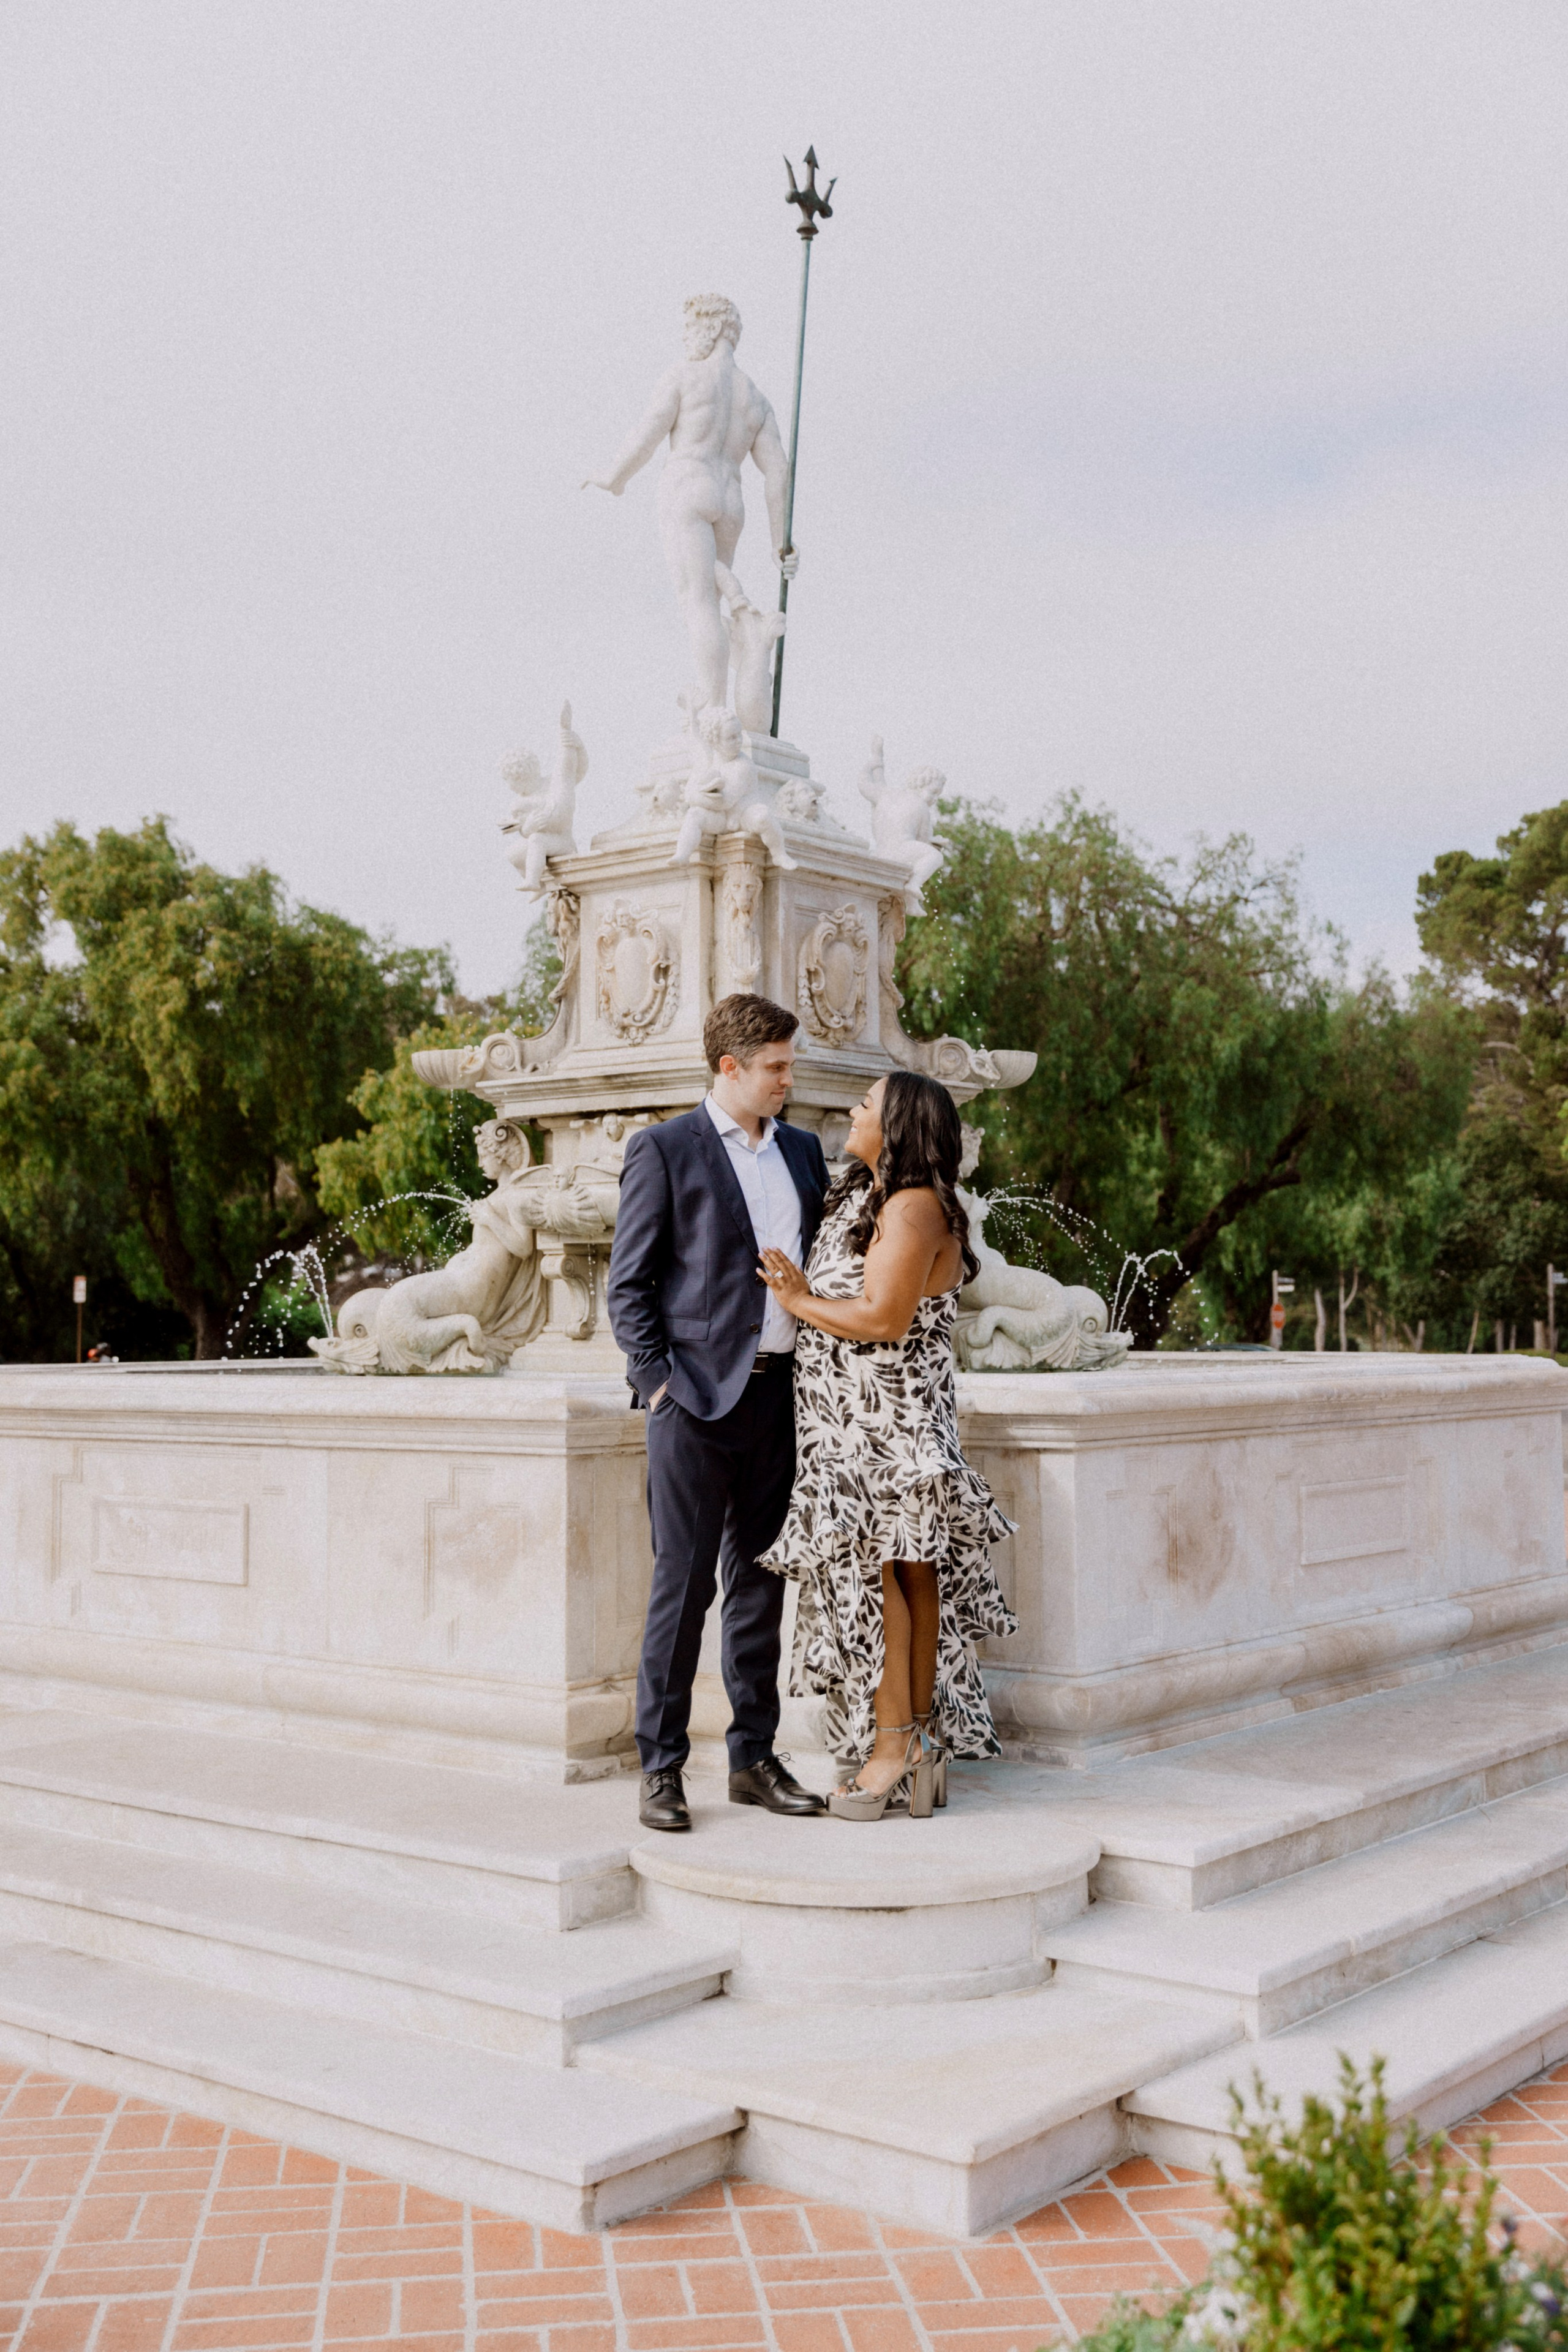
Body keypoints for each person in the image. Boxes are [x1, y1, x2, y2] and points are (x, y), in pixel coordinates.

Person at [756, 1070, 1018, 1822]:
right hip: (853, 1423)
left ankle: (892, 1748)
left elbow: (884, 1319)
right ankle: (915, 1745)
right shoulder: (870, 1199)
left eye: (865, 1105)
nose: (851, 1109)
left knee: (881, 1582)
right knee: (900, 1578)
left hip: (887, 1424)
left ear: (898, 1124)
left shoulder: (910, 1207)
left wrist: (799, 1300)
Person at [607, 993, 831, 1832]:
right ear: (730, 1068)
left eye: (791, 1064)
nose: (789, 1079)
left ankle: (753, 1759)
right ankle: (661, 1767)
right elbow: (628, 1287)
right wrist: (661, 1384)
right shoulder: (665, 1150)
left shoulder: (805, 1153)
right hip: (694, 1405)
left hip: (781, 1396)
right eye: (776, 1067)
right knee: (683, 1586)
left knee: (761, 1586)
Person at [582, 293, 796, 719]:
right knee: (711, 601)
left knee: (697, 601)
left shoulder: (685, 376)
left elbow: (649, 432)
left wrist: (614, 477)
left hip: (688, 485)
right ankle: (724, 695)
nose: (686, 338)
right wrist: (780, 544)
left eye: (690, 328)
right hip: (731, 501)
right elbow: (778, 473)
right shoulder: (757, 400)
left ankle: (715, 708)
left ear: (713, 327)